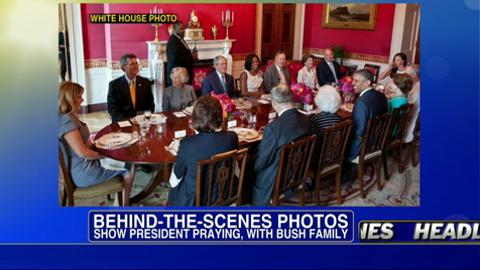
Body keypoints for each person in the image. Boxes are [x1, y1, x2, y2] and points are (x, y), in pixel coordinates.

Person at [58, 82, 135, 205]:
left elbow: (84, 144)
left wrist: (103, 146)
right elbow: (83, 153)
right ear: (69, 98)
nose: (82, 100)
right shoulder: (67, 122)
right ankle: (120, 210)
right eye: (79, 97)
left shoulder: (68, 116)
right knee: (129, 169)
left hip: (83, 165)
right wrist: (105, 155)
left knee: (125, 161)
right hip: (84, 171)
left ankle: (119, 204)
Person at [168, 96, 239, 206]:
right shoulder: (232, 137)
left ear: (195, 118)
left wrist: (178, 154)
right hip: (224, 192)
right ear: (220, 115)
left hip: (196, 201)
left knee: (173, 188)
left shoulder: (187, 144)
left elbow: (174, 180)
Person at [252, 84, 310, 206]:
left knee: (247, 166)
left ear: (273, 102)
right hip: (298, 171)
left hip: (277, 178)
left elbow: (261, 163)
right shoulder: (306, 119)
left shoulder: (273, 128)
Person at [346, 69, 388, 163]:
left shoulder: (361, 101)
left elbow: (359, 131)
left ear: (367, 83)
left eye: (356, 81)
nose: (352, 83)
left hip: (365, 146)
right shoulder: (381, 95)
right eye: (353, 80)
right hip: (378, 141)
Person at [107, 53, 154, 122]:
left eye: (136, 63)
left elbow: (150, 105)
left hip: (142, 121)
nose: (136, 66)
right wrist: (128, 121)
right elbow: (112, 109)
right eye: (132, 64)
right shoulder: (114, 85)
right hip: (123, 121)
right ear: (124, 67)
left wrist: (144, 116)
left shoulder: (145, 82)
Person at [166, 21, 196, 86]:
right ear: (175, 30)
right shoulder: (173, 41)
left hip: (183, 76)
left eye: (184, 28)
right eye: (181, 29)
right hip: (178, 77)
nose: (184, 31)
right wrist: (191, 58)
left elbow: (182, 53)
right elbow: (175, 58)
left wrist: (191, 55)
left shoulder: (180, 39)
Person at [404, 65, 420, 143]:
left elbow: (410, 111)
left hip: (409, 123)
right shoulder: (416, 85)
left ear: (414, 75)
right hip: (411, 118)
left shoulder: (418, 89)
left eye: (406, 74)